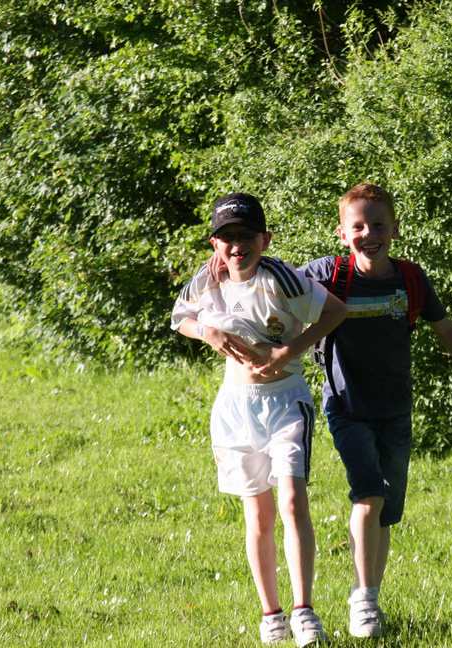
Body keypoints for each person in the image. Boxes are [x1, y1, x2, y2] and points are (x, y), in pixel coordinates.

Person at [301, 183, 452, 638]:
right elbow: (274, 287)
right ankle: (362, 602)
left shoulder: (410, 279)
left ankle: (370, 597)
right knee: (368, 495)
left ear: (395, 228)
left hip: (395, 411)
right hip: (346, 407)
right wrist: (231, 266)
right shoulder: (327, 275)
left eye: (378, 225)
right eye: (358, 226)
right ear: (342, 233)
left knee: (385, 512)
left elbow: (446, 330)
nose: (368, 234)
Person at [171, 192, 347, 646]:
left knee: (292, 501)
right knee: (259, 516)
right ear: (215, 243)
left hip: (286, 403)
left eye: (246, 235)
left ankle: (304, 612)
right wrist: (207, 331)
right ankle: (272, 615)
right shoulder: (207, 278)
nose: (237, 245)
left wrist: (288, 351)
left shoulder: (281, 277)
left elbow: (336, 311)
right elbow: (179, 318)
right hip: (235, 408)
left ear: (264, 239)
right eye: (227, 236)